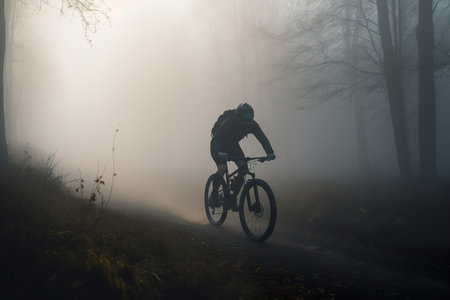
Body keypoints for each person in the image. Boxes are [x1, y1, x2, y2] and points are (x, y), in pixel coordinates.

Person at [210, 102, 275, 211]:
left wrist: (269, 152)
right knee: (222, 168)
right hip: (218, 144)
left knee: (244, 168)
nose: (245, 123)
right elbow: (216, 138)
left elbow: (262, 138)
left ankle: (232, 198)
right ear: (238, 116)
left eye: (248, 121)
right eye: (243, 120)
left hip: (232, 145)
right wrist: (220, 154)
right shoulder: (229, 122)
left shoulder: (252, 124)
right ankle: (214, 194)